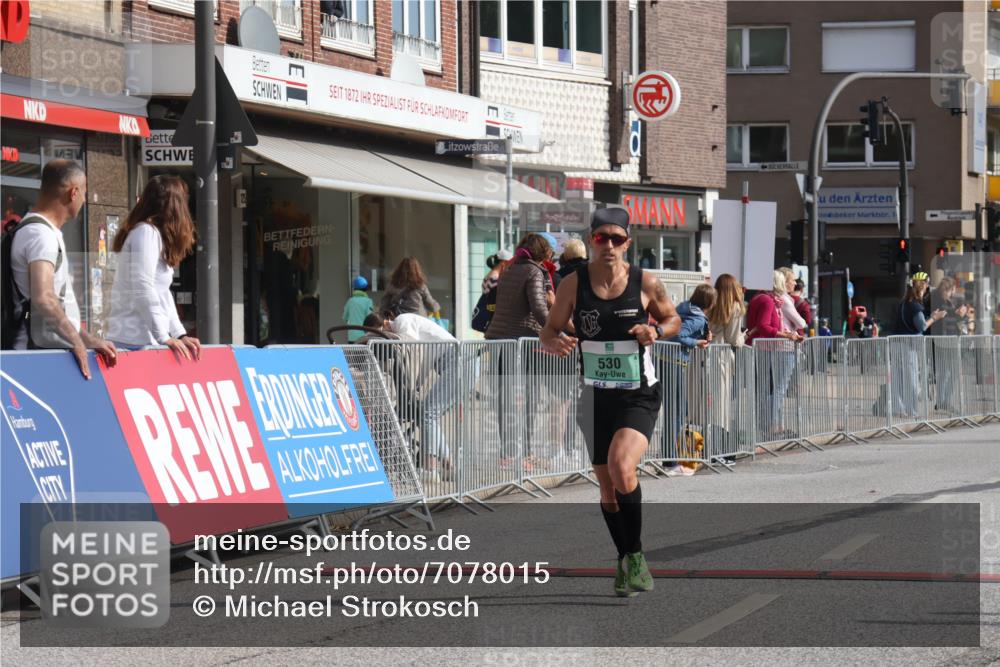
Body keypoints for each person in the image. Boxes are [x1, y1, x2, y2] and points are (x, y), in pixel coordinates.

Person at [540, 207, 681, 597]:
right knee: (606, 490)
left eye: (617, 239)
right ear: (591, 241)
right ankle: (625, 559)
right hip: (596, 394)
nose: (609, 245)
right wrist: (555, 342)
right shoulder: (573, 284)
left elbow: (674, 320)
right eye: (601, 238)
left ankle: (634, 556)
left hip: (638, 394)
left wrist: (655, 331)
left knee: (622, 467)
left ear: (628, 244)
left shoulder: (645, 282)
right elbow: (548, 330)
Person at [8, 159, 116, 378]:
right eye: (85, 193)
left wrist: (86, 339)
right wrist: (75, 341)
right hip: (34, 357)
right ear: (73, 192)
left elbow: (54, 305)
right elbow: (44, 297)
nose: (85, 199)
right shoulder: (41, 235)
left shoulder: (40, 231)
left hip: (41, 351)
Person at [106, 175, 200, 360]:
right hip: (134, 340)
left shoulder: (152, 234)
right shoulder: (146, 232)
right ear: (175, 204)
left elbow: (162, 293)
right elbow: (143, 286)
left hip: (145, 339)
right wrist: (164, 336)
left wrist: (179, 333)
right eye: (184, 200)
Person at [486, 233, 554, 470]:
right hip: (523, 342)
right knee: (528, 399)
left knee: (504, 399)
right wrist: (557, 331)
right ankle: (524, 455)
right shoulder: (534, 272)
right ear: (542, 252)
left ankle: (506, 455)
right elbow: (538, 307)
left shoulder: (510, 269)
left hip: (498, 340)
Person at [380, 310, 458, 482]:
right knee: (430, 416)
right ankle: (449, 465)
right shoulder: (411, 324)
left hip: (457, 362)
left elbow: (411, 346)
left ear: (386, 323)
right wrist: (413, 387)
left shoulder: (401, 320)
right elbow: (419, 361)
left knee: (427, 414)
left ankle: (430, 469)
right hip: (457, 362)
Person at [747, 271, 803, 439]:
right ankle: (771, 426)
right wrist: (785, 335)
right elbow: (764, 325)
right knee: (774, 389)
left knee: (766, 390)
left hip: (762, 346)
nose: (788, 284)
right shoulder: (767, 300)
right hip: (765, 346)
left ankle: (768, 425)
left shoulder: (760, 298)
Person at [892, 272, 946, 417]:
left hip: (896, 344)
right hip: (909, 346)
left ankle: (898, 409)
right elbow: (922, 326)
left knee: (898, 378)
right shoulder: (915, 305)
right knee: (911, 380)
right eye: (927, 284)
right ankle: (912, 411)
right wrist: (934, 318)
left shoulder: (903, 303)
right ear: (922, 286)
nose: (928, 287)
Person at [342, 276, 374, 342]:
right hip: (364, 337)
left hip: (352, 337)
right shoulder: (368, 301)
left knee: (351, 352)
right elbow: (371, 320)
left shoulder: (350, 301)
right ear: (366, 289)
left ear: (354, 289)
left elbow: (344, 318)